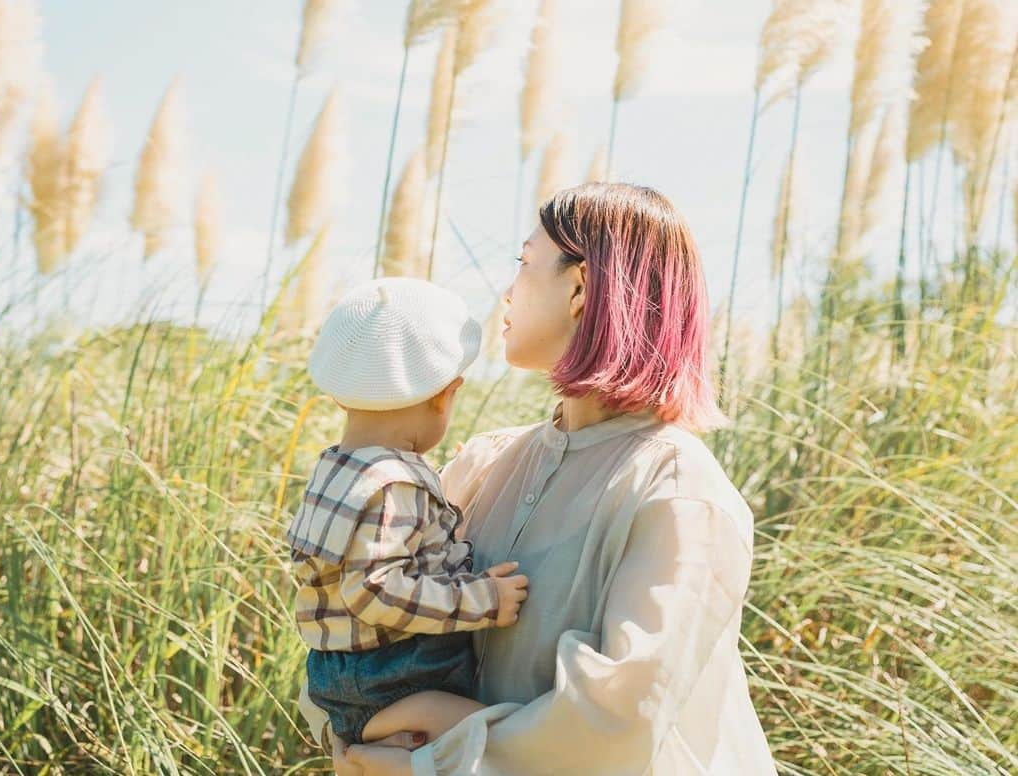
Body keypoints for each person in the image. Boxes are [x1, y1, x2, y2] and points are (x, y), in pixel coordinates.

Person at [300, 182, 777, 774]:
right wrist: (350, 736)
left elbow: (617, 722)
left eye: (525, 264)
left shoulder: (679, 494)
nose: (506, 292)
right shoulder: (485, 462)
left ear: (580, 289)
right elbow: (363, 609)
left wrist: (430, 760)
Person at [285, 276, 531, 771]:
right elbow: (374, 588)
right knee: (504, 739)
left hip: (342, 676)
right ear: (444, 395)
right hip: (394, 680)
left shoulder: (335, 468)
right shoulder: (395, 483)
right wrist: (482, 600)